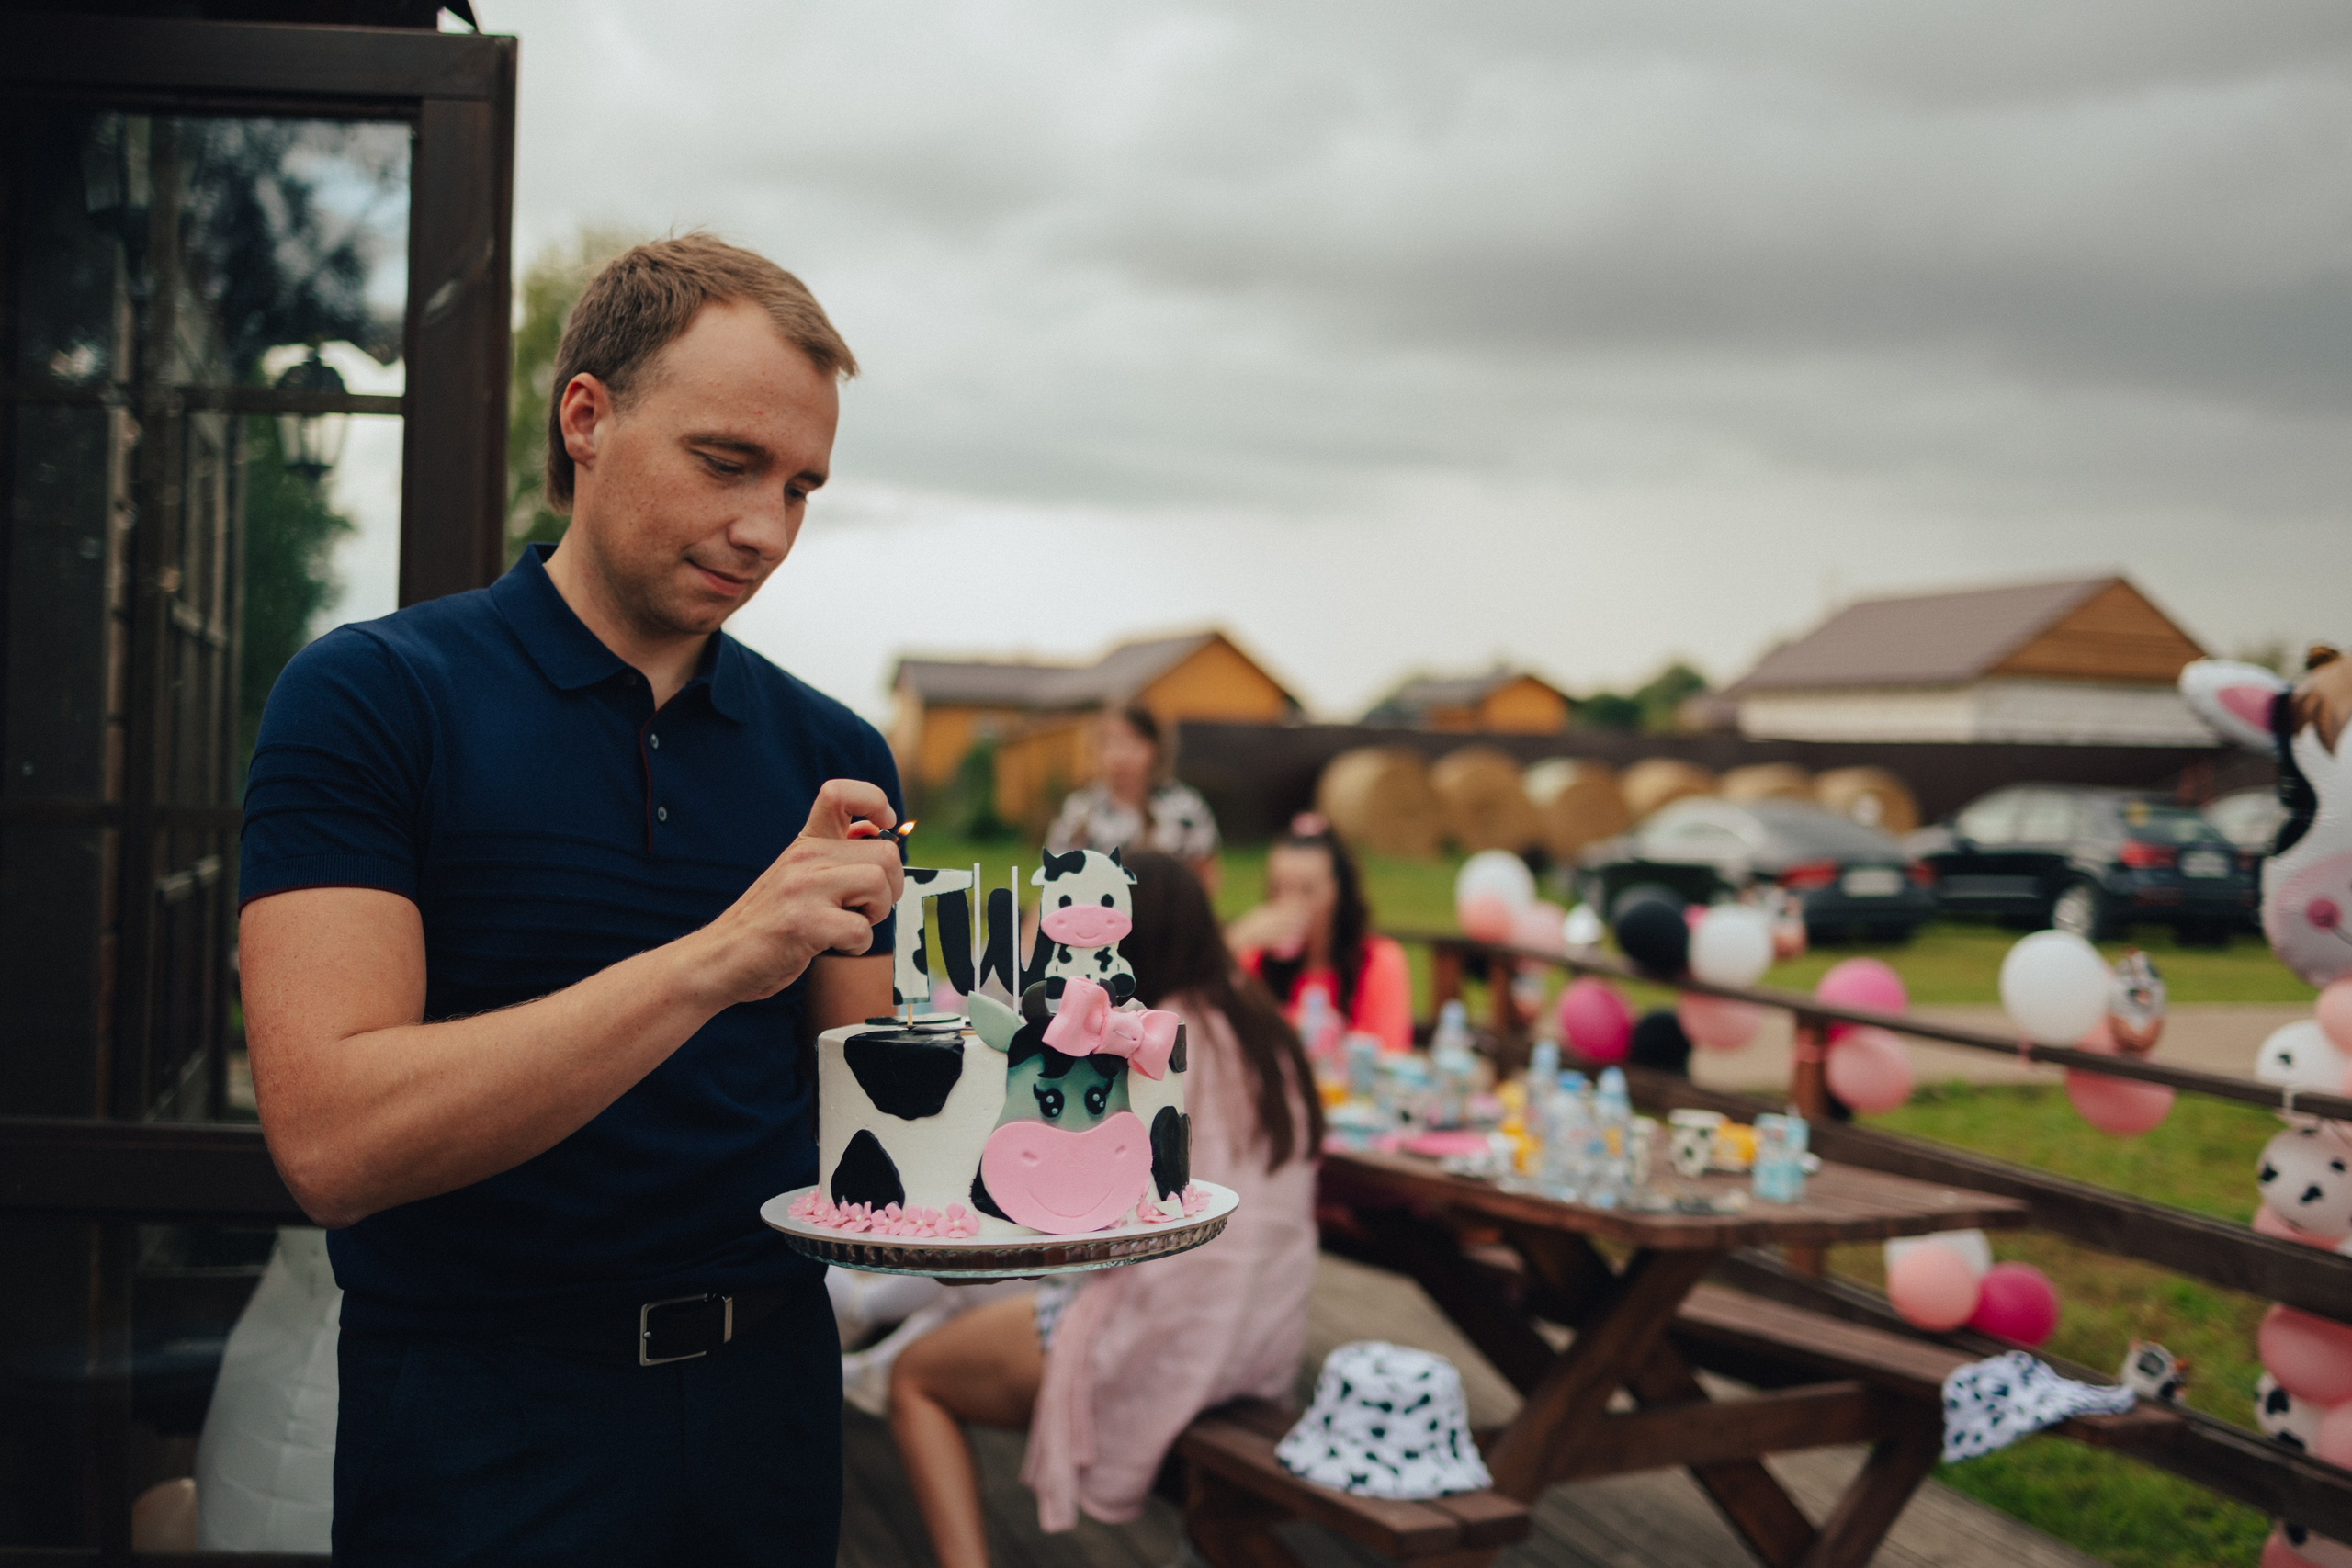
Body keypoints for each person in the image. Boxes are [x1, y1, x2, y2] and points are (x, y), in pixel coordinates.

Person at [237, 235, 902, 1565]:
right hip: (479, 1421)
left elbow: (870, 1134)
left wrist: (1068, 1097)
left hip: (769, 1402)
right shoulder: (371, 697)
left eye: (800, 486)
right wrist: (716, 957)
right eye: (726, 463)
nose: (765, 529)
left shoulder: (832, 754)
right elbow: (332, 1142)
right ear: (586, 416)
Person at [887, 851, 1323, 1562]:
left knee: (919, 1377)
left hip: (1166, 1331)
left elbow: (1082, 1199)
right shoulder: (1260, 1027)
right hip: (1263, 1336)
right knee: (978, 1309)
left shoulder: (1151, 1048)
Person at [1226, 814, 1414, 1056]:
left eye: (1307, 890)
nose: (1289, 903)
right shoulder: (1252, 960)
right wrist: (1234, 940)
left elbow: (1390, 1054)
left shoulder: (1377, 961)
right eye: (1278, 887)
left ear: (1338, 893)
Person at [1044, 705, 1221, 886]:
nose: (1120, 756)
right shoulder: (1079, 811)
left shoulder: (1185, 809)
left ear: (1155, 747)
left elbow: (1205, 880)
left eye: (1131, 743)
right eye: (1111, 742)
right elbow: (1056, 880)